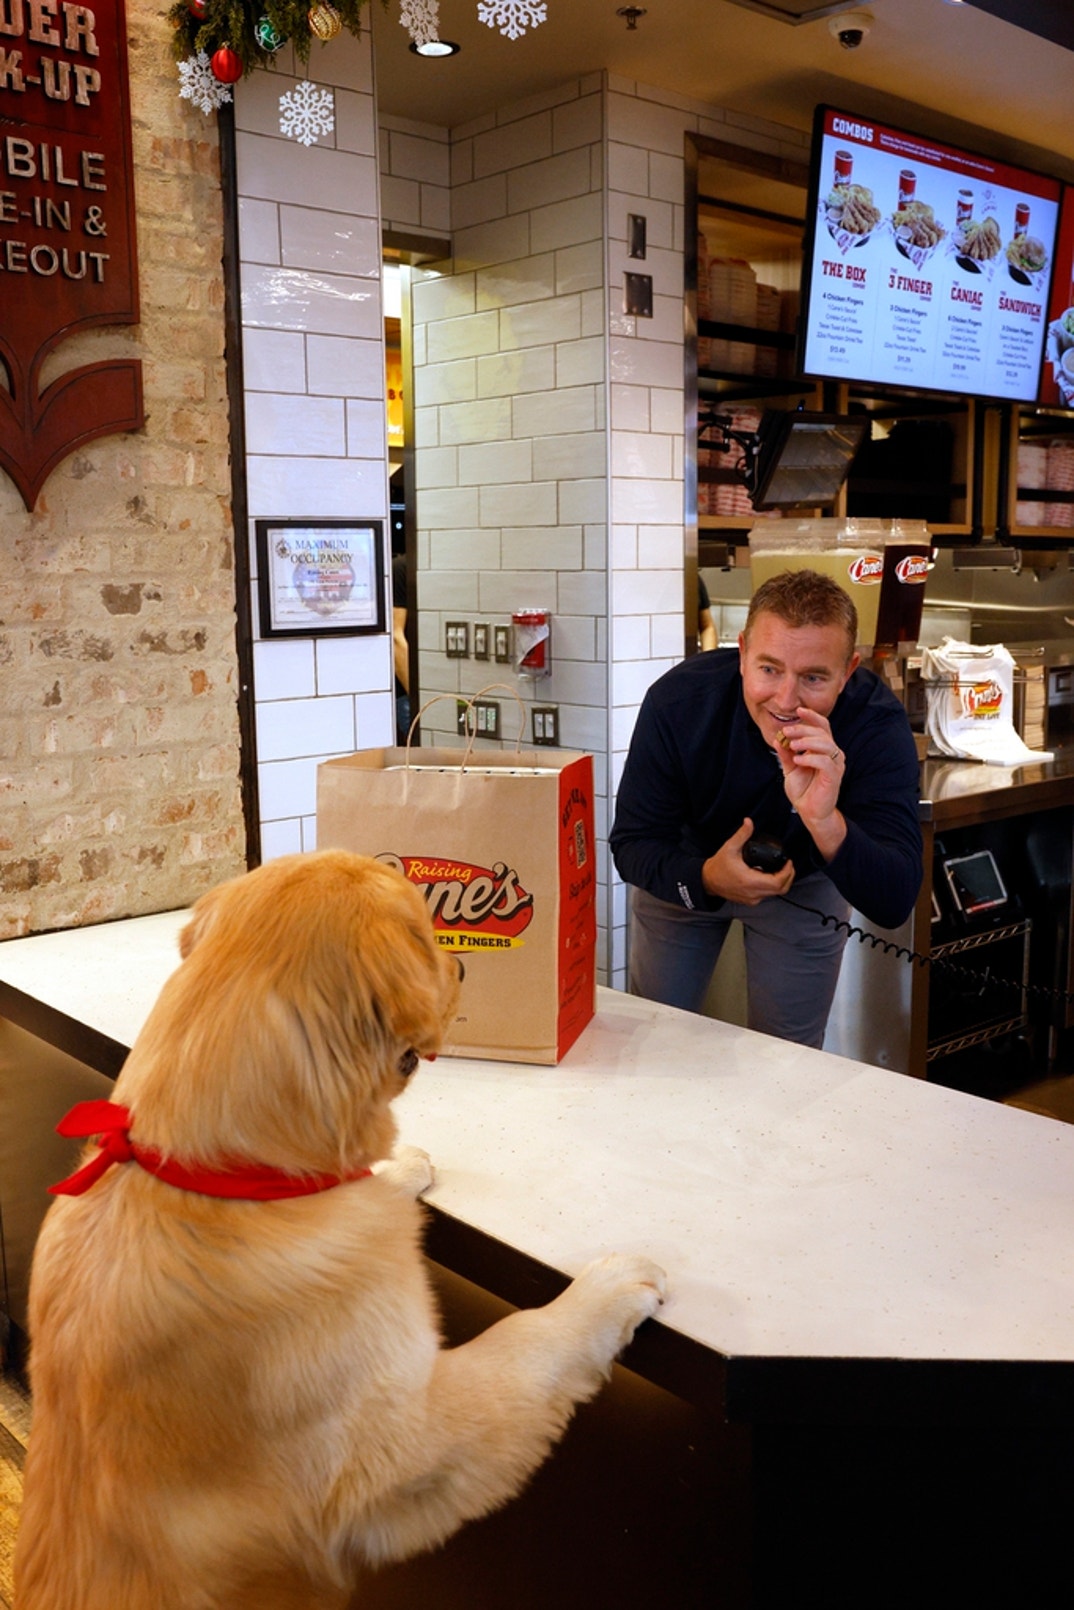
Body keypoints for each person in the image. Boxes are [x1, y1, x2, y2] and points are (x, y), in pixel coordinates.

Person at [610, 568, 922, 1048]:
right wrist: (709, 877)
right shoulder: (679, 702)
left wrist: (824, 820)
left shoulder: (874, 725)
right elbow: (632, 845)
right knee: (657, 1040)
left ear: (849, 672)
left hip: (806, 881)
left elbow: (895, 898)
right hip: (688, 865)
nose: (785, 700)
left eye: (814, 677)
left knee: (789, 1058)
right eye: (769, 668)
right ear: (741, 654)